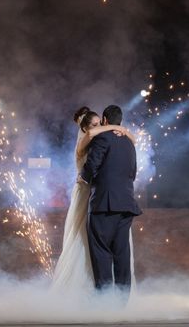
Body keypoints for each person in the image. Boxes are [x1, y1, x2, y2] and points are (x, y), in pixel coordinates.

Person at [51, 106, 135, 291]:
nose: (99, 128)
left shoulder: (105, 141)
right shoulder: (86, 142)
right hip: (89, 196)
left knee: (104, 249)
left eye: (100, 123)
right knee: (91, 246)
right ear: (85, 128)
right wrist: (119, 128)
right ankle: (103, 294)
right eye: (95, 125)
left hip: (102, 197)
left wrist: (119, 130)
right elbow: (92, 138)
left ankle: (106, 296)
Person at [79, 105, 142, 298]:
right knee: (121, 252)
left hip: (104, 203)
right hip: (126, 203)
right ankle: (122, 300)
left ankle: (104, 301)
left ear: (105, 120)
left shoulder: (102, 138)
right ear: (120, 121)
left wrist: (83, 178)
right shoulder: (130, 143)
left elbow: (92, 165)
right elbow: (133, 171)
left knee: (101, 251)